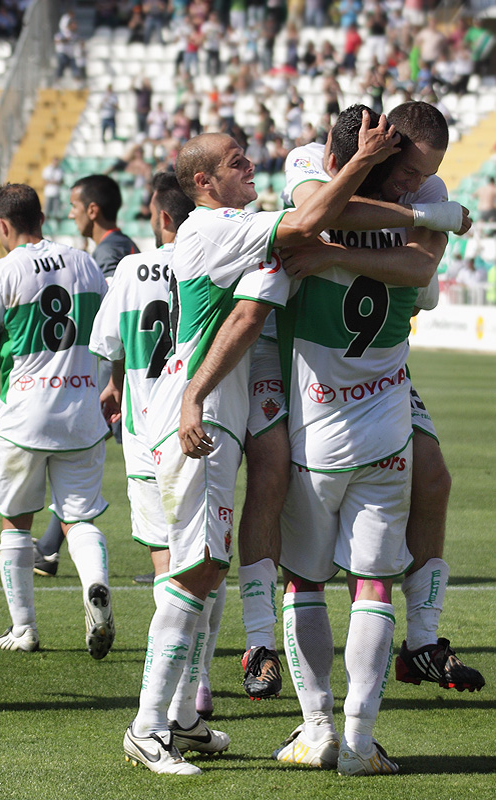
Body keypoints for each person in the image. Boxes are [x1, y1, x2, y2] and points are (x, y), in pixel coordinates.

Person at [122, 123, 401, 776]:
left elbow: (303, 233)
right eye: (234, 160)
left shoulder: (231, 229)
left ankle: (182, 720)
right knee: (195, 571)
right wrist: (361, 163)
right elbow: (295, 240)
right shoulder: (214, 227)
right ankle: (147, 726)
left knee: (205, 568)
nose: (249, 165)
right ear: (203, 182)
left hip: (212, 411)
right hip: (199, 415)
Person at [237, 102, 476, 705]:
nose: (416, 184)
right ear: (383, 149)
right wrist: (426, 216)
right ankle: (260, 642)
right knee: (269, 472)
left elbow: (419, 264)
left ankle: (421, 641)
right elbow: (320, 210)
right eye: (408, 171)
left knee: (434, 478)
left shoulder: (425, 188)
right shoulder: (312, 160)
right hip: (285, 349)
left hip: (372, 364)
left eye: (427, 176)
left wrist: (350, 245)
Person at [89, 171, 224, 724]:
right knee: (205, 557)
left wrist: (115, 381)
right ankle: (199, 683)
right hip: (201, 425)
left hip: (146, 434)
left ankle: (172, 698)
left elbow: (109, 341)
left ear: (164, 217)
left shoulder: (130, 268)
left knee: (168, 564)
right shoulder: (215, 262)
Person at [0, 183, 114, 659]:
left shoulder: (1, 271)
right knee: (79, 517)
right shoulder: (84, 262)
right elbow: (108, 328)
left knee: (16, 522)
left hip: (26, 415)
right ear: (42, 218)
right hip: (82, 410)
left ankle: (24, 628)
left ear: (2, 224)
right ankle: (95, 586)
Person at [32, 175, 140, 575]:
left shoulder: (109, 252)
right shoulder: (121, 245)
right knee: (79, 463)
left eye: (75, 206)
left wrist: (113, 378)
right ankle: (47, 548)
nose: (71, 213)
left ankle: (173, 555)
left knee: (139, 464)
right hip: (120, 376)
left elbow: (113, 316)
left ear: (92, 210)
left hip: (116, 379)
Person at [41, 156, 64, 221]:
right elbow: (44, 181)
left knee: (55, 209)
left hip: (56, 192)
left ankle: (54, 221)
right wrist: (53, 182)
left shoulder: (60, 170)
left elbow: (62, 181)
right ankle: (46, 221)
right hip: (48, 192)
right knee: (47, 208)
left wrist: (53, 182)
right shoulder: (47, 169)